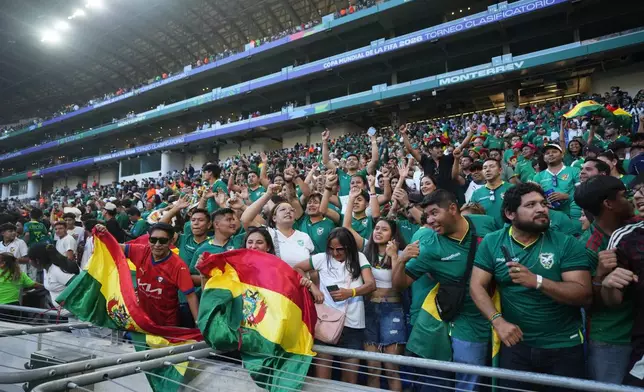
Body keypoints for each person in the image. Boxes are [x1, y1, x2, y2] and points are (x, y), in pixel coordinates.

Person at [469, 182, 591, 391]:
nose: (541, 209)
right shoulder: (492, 242)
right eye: (531, 205)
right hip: (515, 345)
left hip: (563, 346)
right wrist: (498, 321)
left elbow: (583, 295)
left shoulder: (566, 243)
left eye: (543, 203)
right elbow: (476, 286)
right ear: (510, 213)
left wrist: (538, 282)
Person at [391, 189, 496, 391]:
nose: (429, 220)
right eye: (426, 215)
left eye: (434, 213)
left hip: (504, 311)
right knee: (468, 379)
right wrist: (401, 260)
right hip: (467, 321)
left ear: (453, 209)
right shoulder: (429, 245)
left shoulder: (486, 223)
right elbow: (400, 285)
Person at [293, 228, 376, 384]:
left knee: (349, 381)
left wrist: (350, 292)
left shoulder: (359, 257)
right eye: (331, 249)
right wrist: (312, 286)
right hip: (326, 322)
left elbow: (371, 284)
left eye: (340, 249)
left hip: (352, 324)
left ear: (349, 247)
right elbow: (297, 268)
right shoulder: (322, 258)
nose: (335, 253)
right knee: (322, 379)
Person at [575, 176, 636, 383]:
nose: (631, 199)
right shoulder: (588, 247)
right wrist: (601, 275)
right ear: (609, 204)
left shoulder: (637, 226)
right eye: (624, 196)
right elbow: (587, 302)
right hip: (612, 338)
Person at [95, 222, 199, 327]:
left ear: (171, 241)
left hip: (167, 324)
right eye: (153, 240)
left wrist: (198, 323)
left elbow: (190, 296)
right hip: (143, 319)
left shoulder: (178, 266)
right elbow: (116, 248)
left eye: (163, 241)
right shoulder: (141, 251)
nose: (157, 245)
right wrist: (105, 234)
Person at [600, 220, 644, 387]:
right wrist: (608, 284)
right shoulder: (626, 237)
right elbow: (613, 300)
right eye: (638, 191)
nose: (639, 195)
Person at [241, 184, 314, 267]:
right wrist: (268, 195)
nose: (288, 212)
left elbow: (312, 266)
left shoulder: (304, 236)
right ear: (274, 218)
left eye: (291, 210)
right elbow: (245, 220)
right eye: (283, 209)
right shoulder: (268, 233)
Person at [532, 144, 580, 216]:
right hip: (550, 216)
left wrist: (567, 196)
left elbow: (583, 193)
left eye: (554, 152)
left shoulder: (575, 171)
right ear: (544, 158)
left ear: (562, 155)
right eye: (547, 153)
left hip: (573, 214)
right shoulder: (538, 177)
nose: (550, 154)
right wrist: (544, 202)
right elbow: (535, 198)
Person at [470, 158, 514, 229]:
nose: (487, 170)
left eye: (492, 166)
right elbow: (473, 216)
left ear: (500, 170)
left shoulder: (512, 188)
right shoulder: (477, 193)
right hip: (486, 234)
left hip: (509, 233)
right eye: (484, 168)